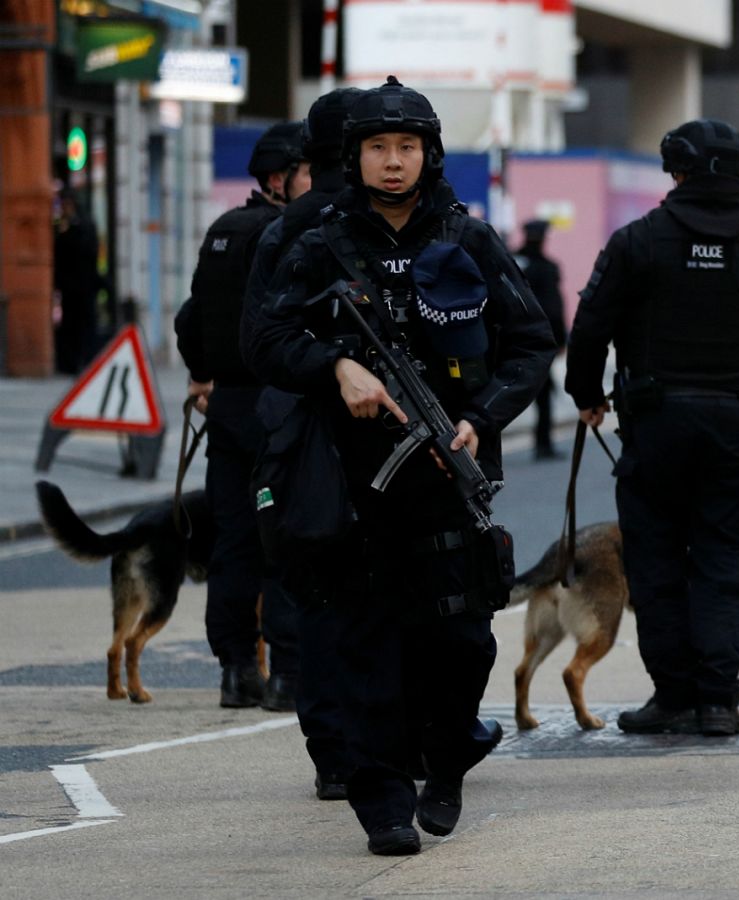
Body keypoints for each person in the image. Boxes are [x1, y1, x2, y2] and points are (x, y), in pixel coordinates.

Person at [246, 76, 555, 856]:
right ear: (355, 156)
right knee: (362, 646)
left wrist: (482, 419)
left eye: (406, 147)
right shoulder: (318, 243)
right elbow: (264, 341)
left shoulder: (467, 238)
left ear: (429, 154)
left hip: (446, 475)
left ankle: (447, 760)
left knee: (462, 643)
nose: (393, 162)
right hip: (351, 481)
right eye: (379, 148)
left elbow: (530, 345)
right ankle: (383, 803)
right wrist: (333, 368)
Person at [565, 118, 739, 737]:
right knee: (726, 559)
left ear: (675, 172)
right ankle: (719, 701)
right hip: (738, 421)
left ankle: (673, 696)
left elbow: (590, 326)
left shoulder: (638, 241)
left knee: (657, 559)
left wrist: (588, 395)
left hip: (655, 423)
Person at [242, 87, 367, 803]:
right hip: (382, 438)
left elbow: (254, 344)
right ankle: (390, 743)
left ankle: (334, 758)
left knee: (316, 599)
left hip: (297, 442)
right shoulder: (397, 224)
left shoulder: (279, 229)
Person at [174, 120, 308, 711]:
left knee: (233, 541)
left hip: (227, 409)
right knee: (284, 537)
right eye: (309, 171)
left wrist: (204, 375)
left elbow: (189, 319)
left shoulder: (223, 230)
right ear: (281, 179)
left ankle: (235, 670)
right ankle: (286, 674)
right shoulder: (287, 234)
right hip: (277, 406)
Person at [515, 219, 567, 460]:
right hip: (537, 339)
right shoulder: (547, 267)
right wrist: (560, 339)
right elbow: (553, 307)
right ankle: (542, 444)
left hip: (506, 338)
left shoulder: (510, 261)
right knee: (543, 394)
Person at [53, 187, 107, 374]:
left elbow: (87, 252)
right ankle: (72, 363)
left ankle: (87, 362)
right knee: (70, 327)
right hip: (70, 288)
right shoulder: (63, 225)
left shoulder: (82, 225)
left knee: (85, 326)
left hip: (84, 287)